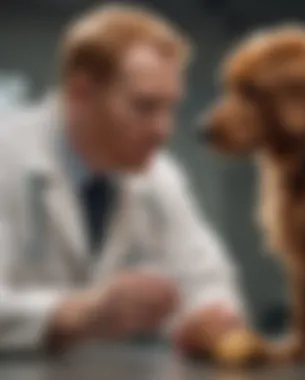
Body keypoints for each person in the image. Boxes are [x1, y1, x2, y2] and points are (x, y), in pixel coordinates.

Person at [0, 5, 246, 354]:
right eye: (145, 107)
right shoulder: (7, 158)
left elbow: (206, 277)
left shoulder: (159, 175)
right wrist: (72, 313)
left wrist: (207, 316)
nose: (164, 130)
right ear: (81, 93)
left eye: (170, 107)